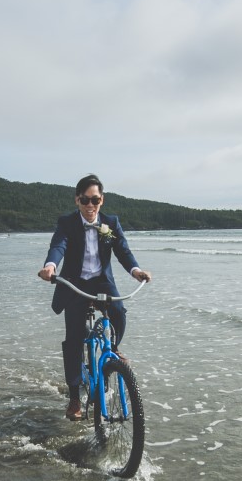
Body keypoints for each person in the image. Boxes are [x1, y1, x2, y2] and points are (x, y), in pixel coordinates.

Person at [38, 174, 150, 421]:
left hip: (101, 281)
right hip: (75, 284)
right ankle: (74, 398)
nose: (90, 205)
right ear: (77, 200)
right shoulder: (67, 223)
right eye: (85, 200)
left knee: (119, 312)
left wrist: (136, 271)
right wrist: (50, 266)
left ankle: (114, 349)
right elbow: (58, 246)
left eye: (95, 200)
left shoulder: (110, 222)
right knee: (74, 339)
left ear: (102, 200)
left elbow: (123, 251)